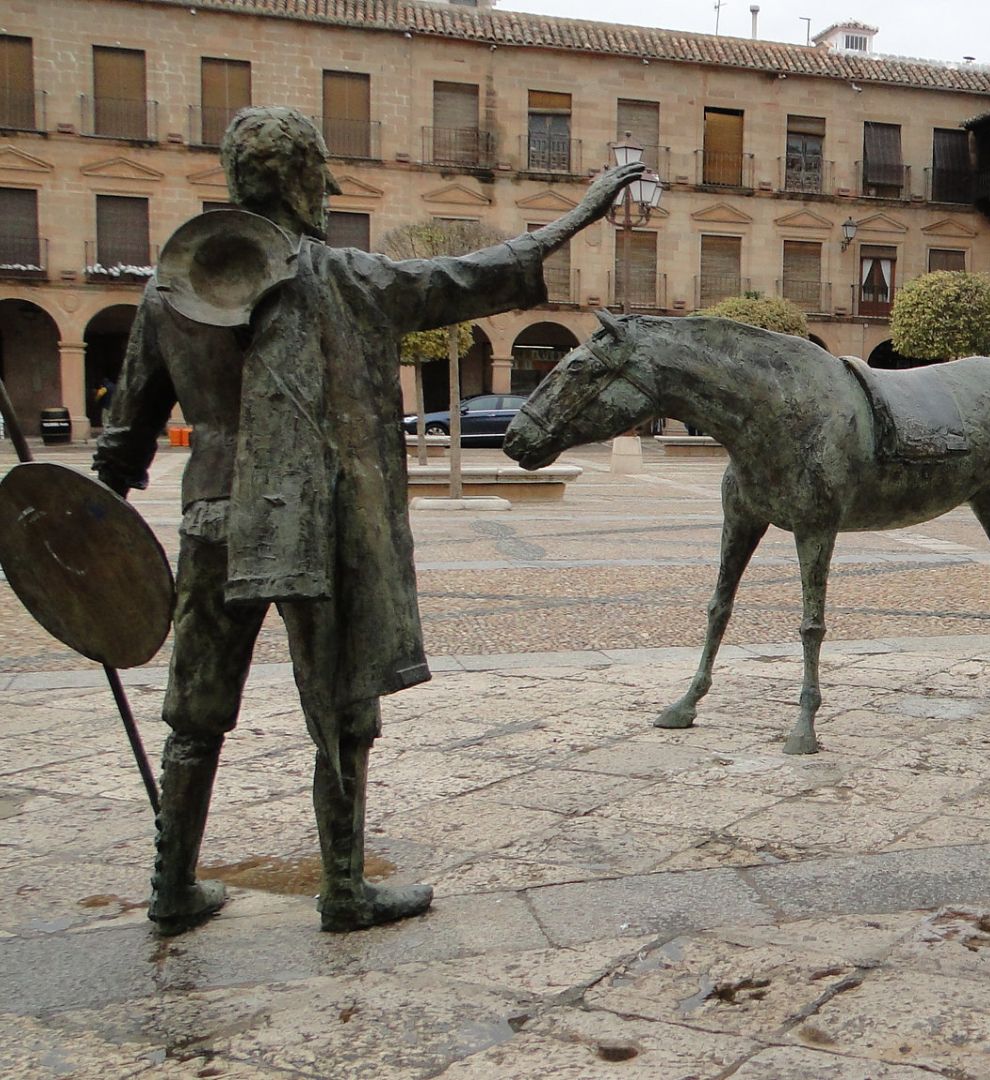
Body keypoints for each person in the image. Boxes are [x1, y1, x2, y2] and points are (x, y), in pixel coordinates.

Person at [93, 105, 642, 936]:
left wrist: (78, 539)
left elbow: (124, 439)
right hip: (319, 525)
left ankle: (171, 889)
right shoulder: (346, 277)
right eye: (319, 174)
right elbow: (471, 275)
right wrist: (580, 213)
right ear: (300, 180)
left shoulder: (171, 288)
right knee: (343, 709)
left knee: (194, 713)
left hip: (213, 518)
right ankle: (344, 891)